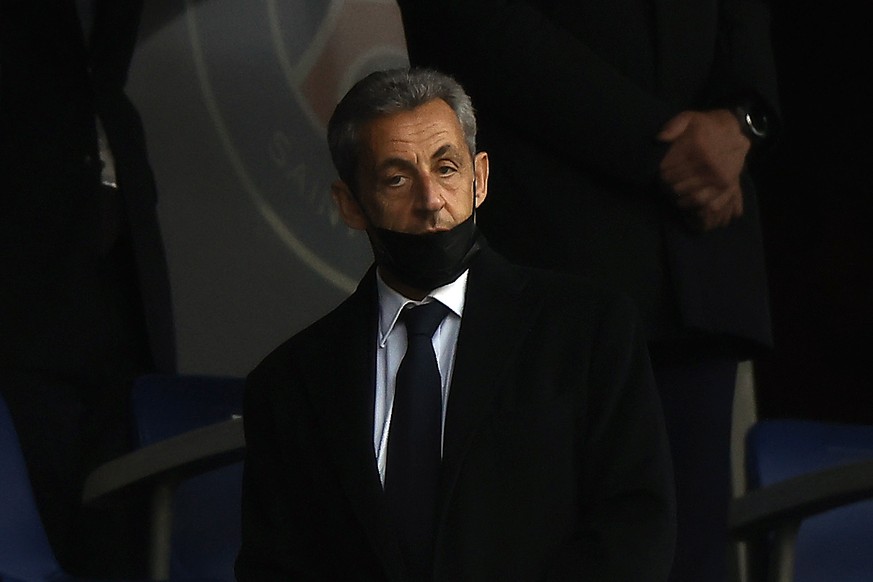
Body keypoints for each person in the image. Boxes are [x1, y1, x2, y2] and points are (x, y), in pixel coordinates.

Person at [235, 67, 675, 580]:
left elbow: (634, 531)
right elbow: (275, 568)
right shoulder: (289, 384)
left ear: (479, 178)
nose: (431, 201)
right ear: (350, 204)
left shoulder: (587, 331)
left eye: (446, 168)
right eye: (397, 179)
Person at [394, 2, 780, 581]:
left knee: (692, 550)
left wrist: (741, 119)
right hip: (548, 253)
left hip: (695, 266)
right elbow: (475, 26)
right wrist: (666, 149)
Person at [0, 0, 175, 576]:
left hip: (119, 311)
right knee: (42, 496)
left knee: (122, 515)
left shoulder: (113, 103)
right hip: (31, 315)